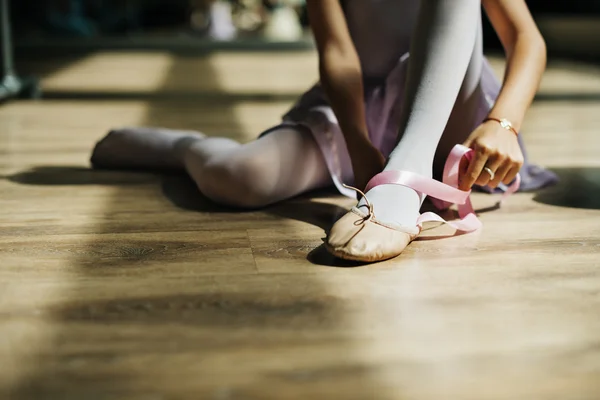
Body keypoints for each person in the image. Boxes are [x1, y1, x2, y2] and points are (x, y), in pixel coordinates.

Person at [90, 0, 557, 262]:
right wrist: (358, 146)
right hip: (360, 105)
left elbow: (526, 38)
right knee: (239, 177)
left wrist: (503, 123)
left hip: (453, 104)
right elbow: (337, 52)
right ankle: (182, 148)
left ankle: (409, 167)